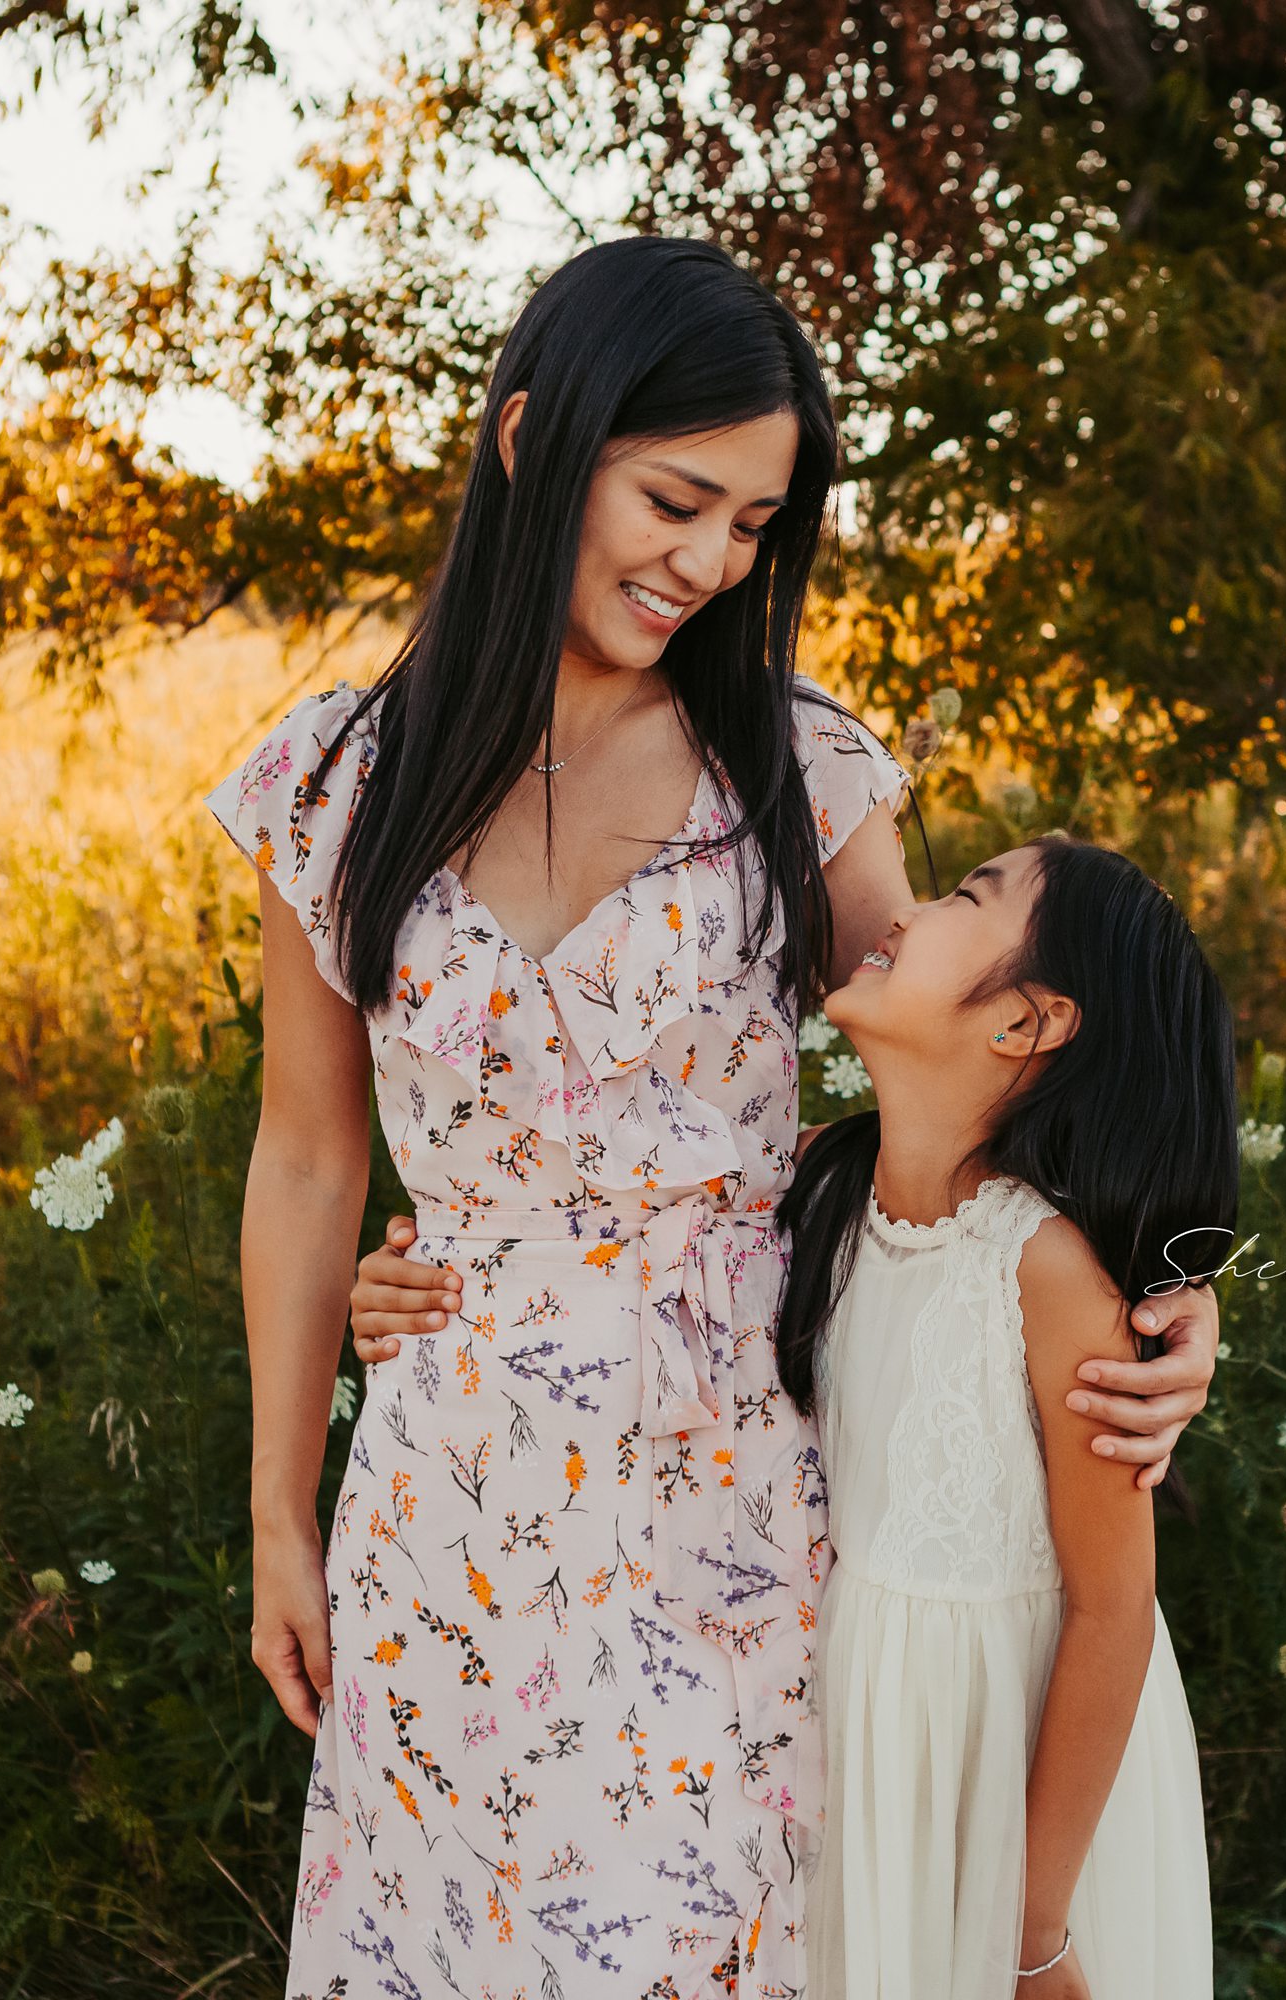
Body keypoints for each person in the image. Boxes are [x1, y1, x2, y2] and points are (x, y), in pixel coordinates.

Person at [214, 234, 1219, 2000]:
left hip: (734, 1497)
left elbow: (989, 1069)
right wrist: (278, 1515)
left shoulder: (794, 765)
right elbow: (308, 1159)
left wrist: (1166, 1279)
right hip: (445, 1502)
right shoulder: (333, 784)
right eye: (679, 499)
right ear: (535, 440)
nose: (709, 562)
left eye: (753, 526)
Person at [777, 835, 1228, 1999]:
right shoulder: (814, 1179)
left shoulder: (1042, 1264)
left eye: (966, 896)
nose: (901, 910)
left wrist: (1030, 1922)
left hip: (1015, 1779)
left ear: (1028, 1020)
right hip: (857, 1743)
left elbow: (1113, 1602)